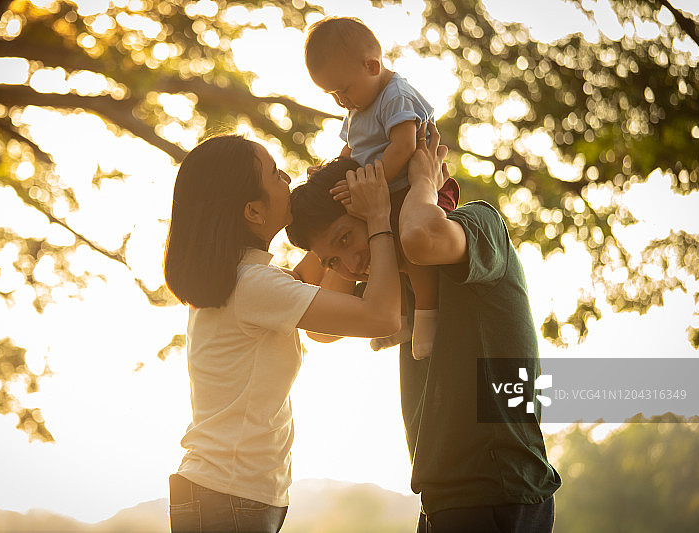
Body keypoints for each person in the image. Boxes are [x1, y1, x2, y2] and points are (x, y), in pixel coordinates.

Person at [286, 122, 562, 533]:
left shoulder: (478, 225)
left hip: (499, 489)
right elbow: (321, 327)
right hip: (444, 496)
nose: (350, 266)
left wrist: (416, 184)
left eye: (345, 240)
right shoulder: (392, 279)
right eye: (333, 262)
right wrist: (342, 221)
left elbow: (419, 234)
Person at [163, 134, 402, 533]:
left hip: (224, 493)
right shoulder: (254, 286)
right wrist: (378, 216)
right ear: (254, 211)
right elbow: (382, 317)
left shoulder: (244, 280)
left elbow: (318, 272)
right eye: (275, 173)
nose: (289, 178)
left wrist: (333, 187)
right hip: (228, 497)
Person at [305, 16, 459, 360]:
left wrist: (370, 187)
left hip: (416, 188)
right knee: (385, 251)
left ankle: (427, 313)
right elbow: (350, 151)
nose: (340, 101)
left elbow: (404, 147)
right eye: (332, 94)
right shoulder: (358, 105)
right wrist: (329, 173)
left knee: (409, 247)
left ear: (372, 66)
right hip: (388, 193)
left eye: (343, 90)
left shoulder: (395, 97)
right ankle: (399, 319)